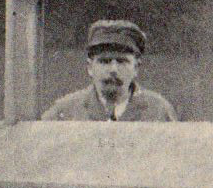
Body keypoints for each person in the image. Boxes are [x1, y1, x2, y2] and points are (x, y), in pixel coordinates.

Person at [41, 20, 177, 122]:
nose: (113, 70)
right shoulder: (63, 112)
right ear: (90, 67)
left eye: (122, 61)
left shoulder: (159, 111)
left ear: (136, 67)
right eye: (104, 61)